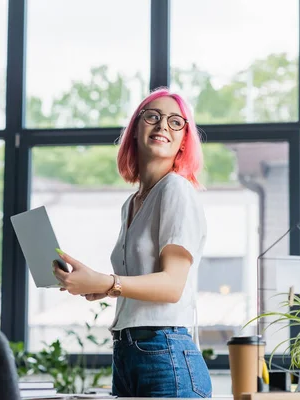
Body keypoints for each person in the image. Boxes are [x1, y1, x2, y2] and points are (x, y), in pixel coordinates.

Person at [53, 87, 212, 398]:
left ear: (183, 142)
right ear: (135, 130)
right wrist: (98, 286)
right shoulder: (132, 203)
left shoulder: (176, 190)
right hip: (128, 353)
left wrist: (109, 282)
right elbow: (140, 282)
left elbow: (171, 287)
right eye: (152, 116)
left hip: (165, 352)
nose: (163, 125)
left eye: (175, 121)